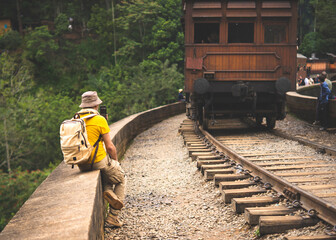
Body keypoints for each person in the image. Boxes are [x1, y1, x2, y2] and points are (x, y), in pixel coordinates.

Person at [77, 91, 126, 228]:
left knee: (107, 175)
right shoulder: (100, 120)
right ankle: (113, 217)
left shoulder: (75, 119)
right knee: (120, 177)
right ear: (96, 105)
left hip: (82, 163)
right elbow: (109, 147)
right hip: (98, 161)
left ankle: (108, 191)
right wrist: (116, 162)